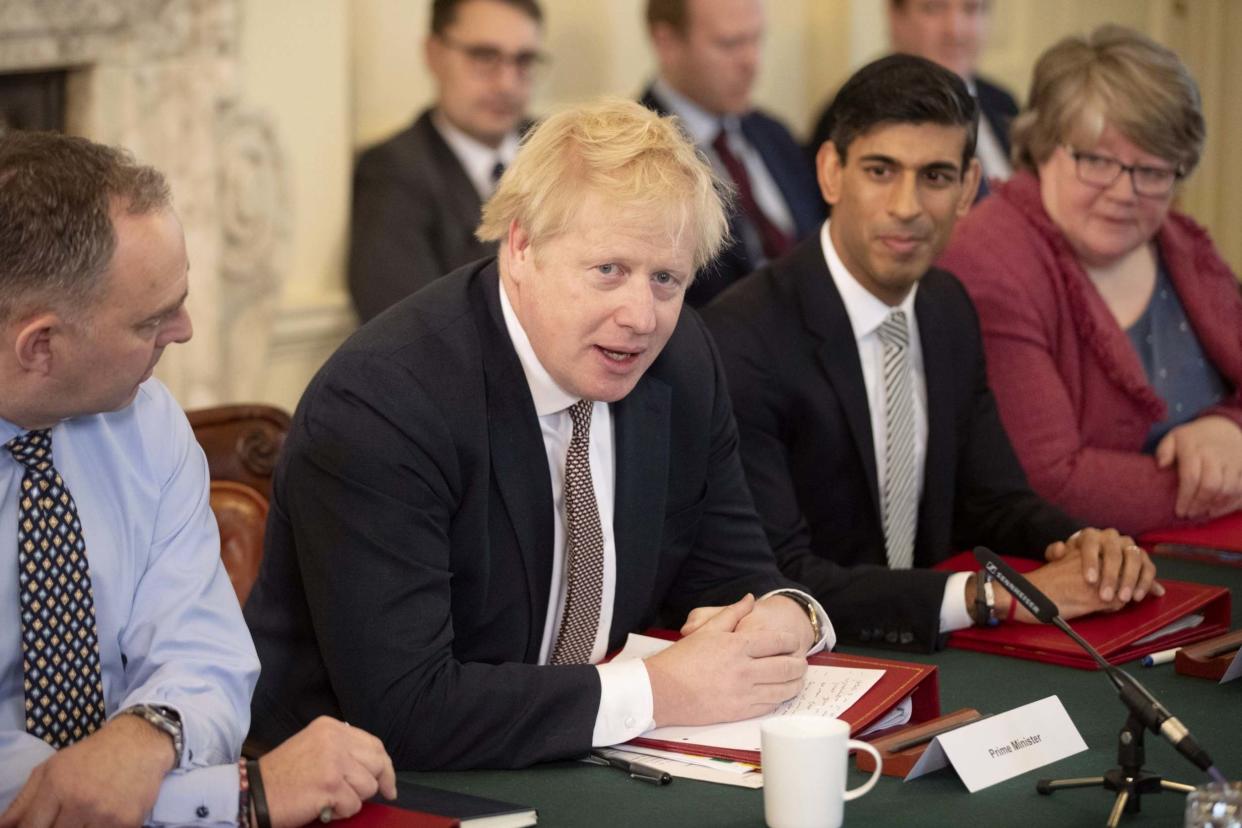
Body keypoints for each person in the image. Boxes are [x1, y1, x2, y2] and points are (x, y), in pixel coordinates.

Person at [244, 98, 833, 771]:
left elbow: (735, 575)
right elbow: (406, 710)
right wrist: (659, 690)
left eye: (666, 279)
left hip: (584, 754)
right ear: (521, 247)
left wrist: (789, 615)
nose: (641, 316)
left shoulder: (683, 359)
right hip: (376, 787)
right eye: (609, 270)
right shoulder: (385, 401)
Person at [0, 131, 395, 826]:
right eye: (152, 319)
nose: (183, 330)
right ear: (41, 345)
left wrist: (150, 732)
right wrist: (240, 799)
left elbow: (207, 654)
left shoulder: (144, 421)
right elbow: (30, 800)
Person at [703, 55, 1159, 651]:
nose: (907, 206)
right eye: (881, 171)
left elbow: (993, 500)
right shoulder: (744, 337)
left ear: (969, 187)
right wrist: (991, 596)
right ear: (830, 173)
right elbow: (782, 575)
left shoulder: (947, 307)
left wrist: (1084, 547)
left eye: (936, 177)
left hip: (941, 652)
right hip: (808, 671)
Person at [939, 26, 1242, 536]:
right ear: (1043, 147)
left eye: (1152, 170)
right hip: (1069, 572)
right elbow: (1053, 483)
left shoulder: (1182, 244)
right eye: (1097, 161)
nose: (1125, 192)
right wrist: (1225, 482)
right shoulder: (991, 260)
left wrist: (1227, 429)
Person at [348, 0, 544, 323]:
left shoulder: (564, 150)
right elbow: (403, 329)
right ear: (434, 54)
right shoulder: (392, 171)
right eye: (484, 57)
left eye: (523, 60)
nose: (507, 83)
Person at [642, 0, 824, 306]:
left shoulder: (774, 135)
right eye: (730, 44)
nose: (751, 61)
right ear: (667, 43)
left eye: (756, 39)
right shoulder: (634, 152)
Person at [807, 0, 1018, 194]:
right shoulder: (853, 111)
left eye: (971, 9)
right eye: (934, 8)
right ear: (895, 17)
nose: (956, 31)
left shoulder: (1003, 104)